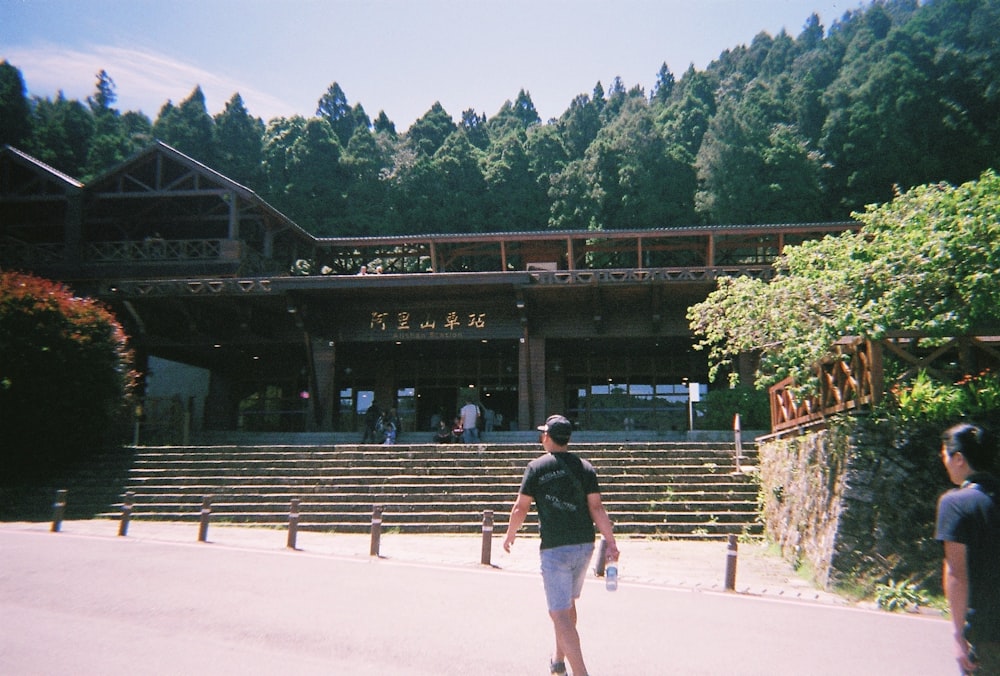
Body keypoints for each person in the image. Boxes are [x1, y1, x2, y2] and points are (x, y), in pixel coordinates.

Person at [503, 414, 618, 676]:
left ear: (547, 437)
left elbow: (521, 507)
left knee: (559, 613)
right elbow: (597, 508)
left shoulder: (537, 467)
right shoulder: (585, 468)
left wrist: (510, 534)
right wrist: (610, 542)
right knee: (567, 605)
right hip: (583, 545)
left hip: (555, 547)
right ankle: (557, 660)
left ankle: (580, 673)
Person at [935, 422, 1000, 674]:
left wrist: (958, 635)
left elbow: (956, 575)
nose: (945, 462)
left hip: (986, 632)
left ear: (959, 458)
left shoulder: (956, 504)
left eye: (945, 456)